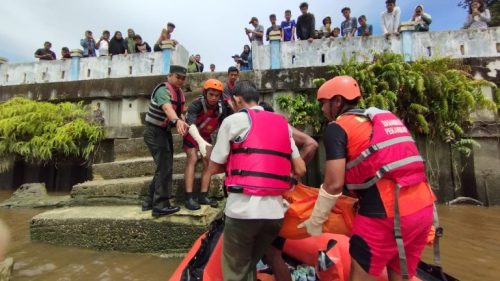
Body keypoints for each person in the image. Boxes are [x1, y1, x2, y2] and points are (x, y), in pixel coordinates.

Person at [300, 76, 436, 281]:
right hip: (424, 209)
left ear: (337, 101)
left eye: (323, 103)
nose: (322, 109)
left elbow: (334, 184)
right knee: (401, 275)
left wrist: (316, 219)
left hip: (384, 214)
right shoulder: (380, 120)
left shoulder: (337, 128)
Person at [205, 80, 306, 281]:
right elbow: (300, 168)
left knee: (236, 272)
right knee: (249, 265)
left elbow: (214, 168)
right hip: (275, 215)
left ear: (237, 100)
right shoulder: (282, 124)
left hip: (242, 213)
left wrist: (209, 152)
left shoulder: (232, 121)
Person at [142, 65, 189, 217]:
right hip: (154, 131)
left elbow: (179, 112)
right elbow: (168, 109)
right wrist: (177, 121)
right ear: (169, 76)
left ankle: (149, 201)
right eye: (178, 77)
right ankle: (160, 205)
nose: (180, 80)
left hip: (163, 131)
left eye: (183, 78)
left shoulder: (179, 93)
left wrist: (183, 121)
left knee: (164, 165)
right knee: (164, 167)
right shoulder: (163, 90)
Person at [183, 79, 231, 210]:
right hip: (192, 135)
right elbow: (190, 124)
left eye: (217, 95)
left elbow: (224, 126)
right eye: (211, 94)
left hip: (206, 135)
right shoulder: (196, 104)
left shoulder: (221, 108)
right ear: (205, 93)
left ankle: (203, 195)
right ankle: (188, 197)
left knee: (208, 163)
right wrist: (200, 142)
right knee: (192, 158)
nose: (214, 98)